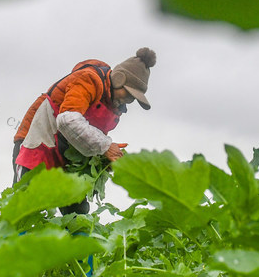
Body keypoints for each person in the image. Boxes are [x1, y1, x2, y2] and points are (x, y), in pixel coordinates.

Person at [12, 47, 156, 215]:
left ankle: (78, 239)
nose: (130, 100)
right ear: (118, 79)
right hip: (37, 142)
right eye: (130, 93)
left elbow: (91, 137)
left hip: (67, 152)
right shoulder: (88, 79)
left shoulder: (114, 106)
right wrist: (106, 147)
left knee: (77, 214)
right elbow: (68, 120)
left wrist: (104, 159)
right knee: (25, 208)